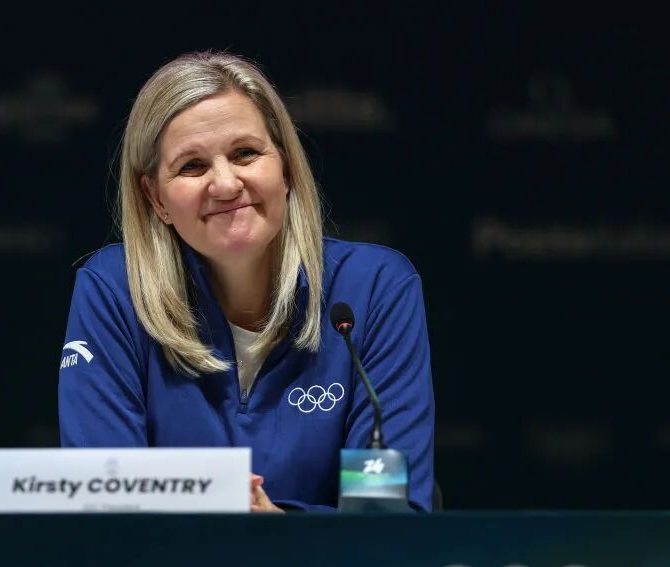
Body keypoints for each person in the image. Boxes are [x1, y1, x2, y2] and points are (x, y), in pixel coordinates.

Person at [58, 51, 434, 512]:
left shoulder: (374, 288)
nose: (225, 184)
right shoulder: (116, 289)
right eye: (192, 166)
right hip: (170, 563)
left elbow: (385, 513)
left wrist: (277, 530)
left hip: (328, 564)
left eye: (245, 154)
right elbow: (101, 501)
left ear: (286, 168)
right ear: (155, 198)